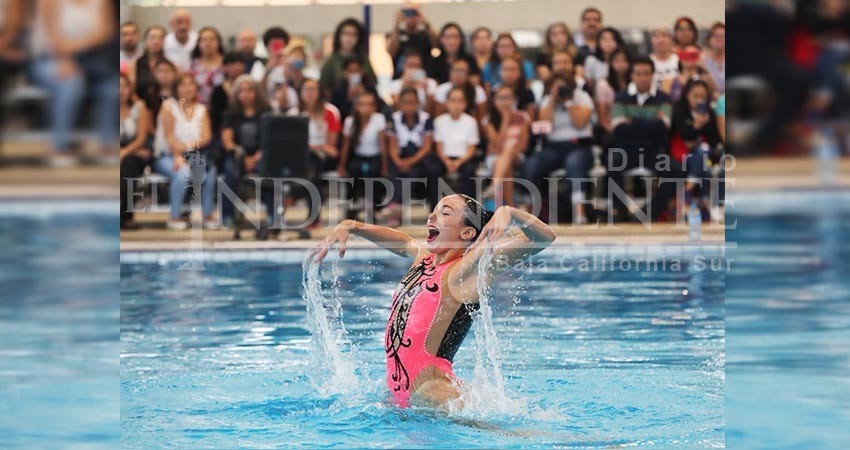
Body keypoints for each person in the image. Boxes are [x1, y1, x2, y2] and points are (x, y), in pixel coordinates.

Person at [309, 194, 555, 409]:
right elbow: (403, 241)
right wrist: (352, 226)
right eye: (434, 211)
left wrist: (509, 213)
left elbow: (543, 238)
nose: (432, 216)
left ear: (466, 233)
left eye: (445, 213)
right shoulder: (424, 259)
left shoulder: (466, 271)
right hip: (403, 396)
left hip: (435, 395)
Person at [31, 0, 117, 166]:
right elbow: (51, 36)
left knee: (111, 88)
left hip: (92, 60)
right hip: (51, 58)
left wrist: (76, 48)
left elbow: (106, 32)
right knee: (71, 83)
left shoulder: (101, 3)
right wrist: (66, 56)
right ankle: (59, 146)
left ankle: (106, 145)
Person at [609, 56, 673, 220]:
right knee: (612, 161)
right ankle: (620, 212)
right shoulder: (621, 97)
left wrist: (633, 122)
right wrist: (651, 123)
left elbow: (663, 127)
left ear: (652, 75)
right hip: (627, 151)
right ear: (632, 75)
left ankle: (647, 213)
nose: (643, 78)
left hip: (653, 150)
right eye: (638, 74)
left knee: (676, 170)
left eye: (646, 73)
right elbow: (619, 129)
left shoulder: (663, 98)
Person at [527, 72, 594, 223]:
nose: (560, 90)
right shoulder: (547, 100)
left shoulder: (581, 97)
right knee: (532, 164)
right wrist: (552, 101)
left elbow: (580, 123)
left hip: (579, 145)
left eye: (562, 87)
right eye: (556, 87)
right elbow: (545, 126)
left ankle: (580, 212)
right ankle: (534, 210)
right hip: (554, 147)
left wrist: (568, 102)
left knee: (574, 163)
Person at [152, 74, 216, 230]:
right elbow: (169, 137)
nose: (188, 88)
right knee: (183, 171)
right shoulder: (169, 106)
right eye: (183, 84)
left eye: (191, 84)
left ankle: (208, 214)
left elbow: (206, 137)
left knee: (210, 171)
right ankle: (174, 216)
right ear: (176, 88)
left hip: (194, 154)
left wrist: (186, 147)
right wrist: (177, 155)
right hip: (166, 155)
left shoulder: (201, 109)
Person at [220, 75, 273, 234]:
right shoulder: (230, 114)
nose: (246, 94)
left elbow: (270, 138)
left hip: (262, 155)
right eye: (242, 91)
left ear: (256, 92)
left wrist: (258, 156)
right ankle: (227, 215)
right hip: (237, 154)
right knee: (229, 173)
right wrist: (243, 157)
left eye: (250, 90)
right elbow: (228, 141)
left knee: (269, 175)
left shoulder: (266, 112)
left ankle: (272, 214)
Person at [290, 78, 342, 222]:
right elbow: (291, 144)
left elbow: (330, 146)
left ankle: (302, 199)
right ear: (300, 92)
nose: (310, 93)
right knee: (308, 161)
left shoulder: (330, 111)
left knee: (313, 161)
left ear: (320, 92)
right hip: (300, 157)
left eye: (313, 89)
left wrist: (315, 148)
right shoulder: (293, 114)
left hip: (323, 157)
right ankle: (312, 211)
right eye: (306, 89)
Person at [385, 87, 440, 221]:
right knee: (393, 171)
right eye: (406, 102)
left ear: (418, 103)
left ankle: (434, 210)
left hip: (419, 157)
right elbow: (392, 145)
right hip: (400, 156)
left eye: (412, 102)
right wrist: (399, 161)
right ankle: (394, 209)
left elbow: (426, 147)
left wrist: (409, 162)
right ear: (400, 103)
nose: (409, 106)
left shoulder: (426, 118)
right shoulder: (394, 118)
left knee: (428, 171)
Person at [338, 91, 389, 218]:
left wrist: (384, 165)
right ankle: (352, 207)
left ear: (374, 107)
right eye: (362, 104)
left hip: (375, 156)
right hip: (358, 157)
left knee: (374, 174)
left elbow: (382, 145)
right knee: (352, 173)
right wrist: (342, 165)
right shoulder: (350, 121)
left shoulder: (379, 119)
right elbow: (345, 146)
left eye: (369, 104)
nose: (366, 108)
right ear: (357, 106)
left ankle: (373, 208)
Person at [482, 85, 529, 208]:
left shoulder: (522, 117)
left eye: (508, 97)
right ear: (494, 101)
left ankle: (494, 186)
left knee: (510, 147)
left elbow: (523, 145)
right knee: (506, 170)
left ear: (513, 99)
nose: (504, 102)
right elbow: (498, 146)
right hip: (495, 158)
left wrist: (509, 151)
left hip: (517, 155)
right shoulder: (488, 120)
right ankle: (511, 207)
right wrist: (505, 119)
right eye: (501, 98)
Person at [434, 87, 479, 198]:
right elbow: (439, 145)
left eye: (460, 101)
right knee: (433, 169)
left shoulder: (471, 121)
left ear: (465, 104)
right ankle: (436, 203)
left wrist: (459, 162)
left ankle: (467, 204)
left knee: (470, 170)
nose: (456, 105)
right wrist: (446, 161)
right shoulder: (439, 121)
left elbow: (471, 147)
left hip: (464, 158)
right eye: (453, 101)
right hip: (444, 158)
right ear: (447, 103)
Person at [119, 74, 152, 230]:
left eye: (124, 86)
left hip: (133, 151)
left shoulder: (140, 107)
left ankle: (126, 216)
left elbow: (141, 138)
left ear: (130, 89)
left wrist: (124, 152)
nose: (120, 91)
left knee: (128, 169)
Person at [320, 18, 376, 99]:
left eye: (353, 34)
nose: (349, 38)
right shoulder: (331, 60)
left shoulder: (363, 58)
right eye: (345, 33)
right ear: (339, 36)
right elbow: (324, 87)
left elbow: (373, 81)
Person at [386, 1, 437, 79]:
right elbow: (390, 51)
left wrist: (425, 21)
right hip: (400, 77)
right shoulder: (397, 34)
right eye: (407, 13)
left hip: (423, 77)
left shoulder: (425, 34)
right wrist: (396, 24)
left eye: (414, 13)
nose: (411, 16)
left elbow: (438, 44)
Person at [209, 52, 248, 146]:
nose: (237, 67)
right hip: (222, 132)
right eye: (233, 64)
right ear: (225, 67)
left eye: (240, 64)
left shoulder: (251, 88)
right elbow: (215, 117)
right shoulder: (218, 91)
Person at [595, 48, 631, 135]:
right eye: (617, 61)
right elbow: (603, 118)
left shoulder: (635, 83)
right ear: (610, 63)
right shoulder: (603, 84)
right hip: (613, 129)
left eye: (625, 61)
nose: (621, 65)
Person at [129, 25, 167, 102]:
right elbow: (130, 91)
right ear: (145, 41)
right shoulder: (135, 64)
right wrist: (140, 105)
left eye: (160, 38)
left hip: (165, 104)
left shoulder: (170, 64)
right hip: (140, 104)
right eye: (152, 37)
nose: (156, 42)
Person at [189, 26, 225, 105]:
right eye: (204, 40)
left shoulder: (226, 64)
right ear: (198, 43)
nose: (208, 43)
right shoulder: (192, 66)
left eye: (212, 39)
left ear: (219, 42)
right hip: (198, 107)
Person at [496, 54, 536, 119]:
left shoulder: (527, 93)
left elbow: (529, 118)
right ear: (499, 72)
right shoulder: (495, 91)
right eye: (505, 69)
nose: (509, 74)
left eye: (513, 70)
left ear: (520, 72)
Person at [142, 59, 179, 124]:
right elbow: (148, 119)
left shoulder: (180, 94)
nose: (164, 75)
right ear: (154, 74)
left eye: (167, 71)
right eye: (160, 71)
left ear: (174, 73)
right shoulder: (150, 95)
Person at [702, 22, 725, 98]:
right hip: (709, 99)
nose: (720, 39)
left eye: (723, 36)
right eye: (716, 36)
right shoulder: (702, 60)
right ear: (709, 39)